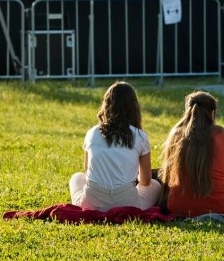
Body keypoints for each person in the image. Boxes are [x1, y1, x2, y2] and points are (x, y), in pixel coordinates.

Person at [69, 82, 162, 211]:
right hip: (127, 203)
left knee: (77, 177)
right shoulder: (140, 136)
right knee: (155, 185)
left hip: (92, 202)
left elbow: (87, 172)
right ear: (134, 107)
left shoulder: (92, 133)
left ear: (106, 105)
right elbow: (145, 181)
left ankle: (84, 204)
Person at [159, 91, 224, 217]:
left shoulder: (176, 134)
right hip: (221, 208)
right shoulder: (220, 134)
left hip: (178, 208)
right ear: (212, 112)